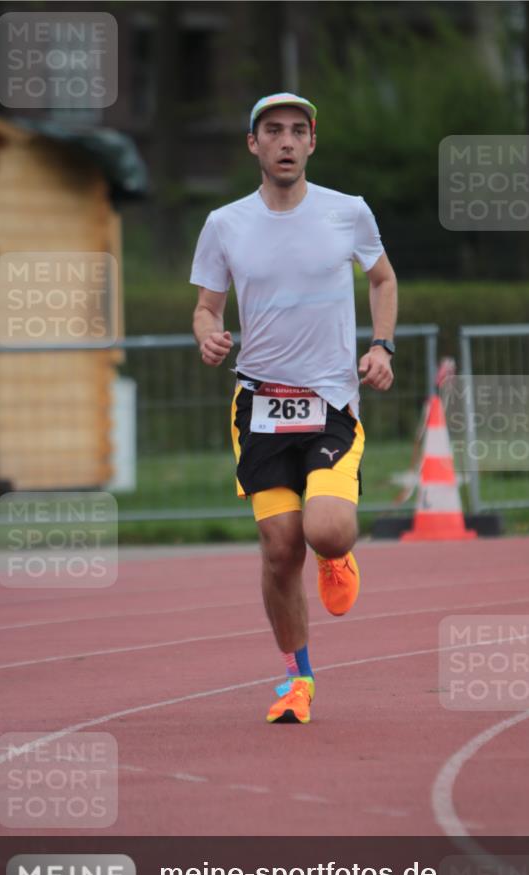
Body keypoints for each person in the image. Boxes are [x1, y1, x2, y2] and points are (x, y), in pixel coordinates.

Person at [190, 92, 397, 724]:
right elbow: (207, 307)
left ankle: (338, 555)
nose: (285, 141)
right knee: (280, 549)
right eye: (272, 131)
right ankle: (297, 679)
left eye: (297, 131)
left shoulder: (348, 213)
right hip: (258, 407)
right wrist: (207, 334)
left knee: (324, 529)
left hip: (331, 401)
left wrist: (382, 345)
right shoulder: (224, 224)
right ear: (253, 144)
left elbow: (382, 279)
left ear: (312, 143)